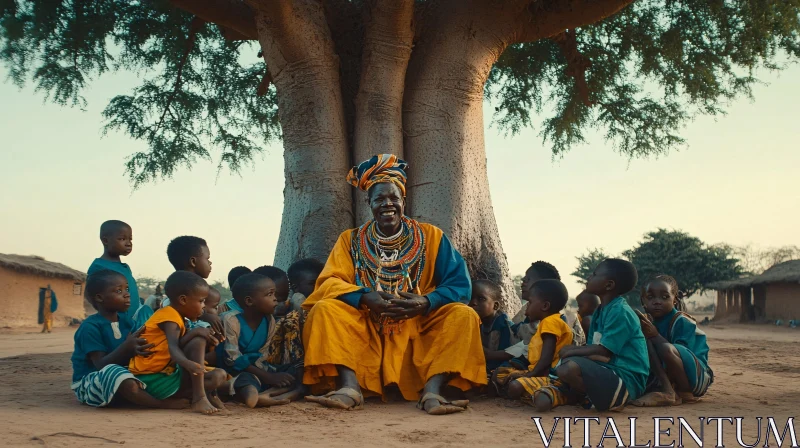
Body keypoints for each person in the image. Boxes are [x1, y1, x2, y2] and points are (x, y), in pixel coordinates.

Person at [302, 154, 485, 415]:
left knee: (463, 315)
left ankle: (433, 391)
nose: (387, 204)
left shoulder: (431, 236)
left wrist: (426, 302)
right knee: (324, 310)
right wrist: (364, 297)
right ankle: (349, 387)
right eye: (379, 199)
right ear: (368, 202)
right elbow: (329, 282)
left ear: (403, 201)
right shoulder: (350, 240)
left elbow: (459, 285)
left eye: (393, 198)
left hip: (418, 322)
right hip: (366, 321)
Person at [71, 270, 186, 409]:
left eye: (126, 289)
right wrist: (127, 347)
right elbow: (101, 365)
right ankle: (160, 404)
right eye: (118, 291)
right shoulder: (90, 327)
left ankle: (134, 397)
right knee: (123, 379)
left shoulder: (126, 322)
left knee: (158, 375)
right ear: (100, 298)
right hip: (91, 380)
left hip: (122, 372)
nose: (127, 294)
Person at [555, 259, 649, 411]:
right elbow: (597, 351)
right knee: (566, 363)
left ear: (609, 285)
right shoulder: (600, 311)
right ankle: (590, 395)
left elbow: (603, 350)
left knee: (567, 369)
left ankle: (614, 397)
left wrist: (572, 350)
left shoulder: (620, 311)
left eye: (594, 274)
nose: (589, 278)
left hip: (628, 378)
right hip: (610, 368)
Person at [128, 271, 228, 415]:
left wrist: (196, 333)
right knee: (198, 340)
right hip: (150, 378)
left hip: (165, 374)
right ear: (183, 300)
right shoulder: (169, 316)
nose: (204, 306)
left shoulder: (176, 317)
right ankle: (199, 398)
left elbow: (176, 344)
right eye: (201, 301)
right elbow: (173, 349)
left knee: (218, 376)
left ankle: (199, 396)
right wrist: (189, 364)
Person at [219, 273, 303, 408]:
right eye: (269, 295)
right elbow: (232, 358)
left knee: (298, 368)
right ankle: (256, 397)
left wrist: (270, 374)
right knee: (246, 382)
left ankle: (270, 394)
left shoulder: (269, 321)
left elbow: (263, 355)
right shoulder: (231, 320)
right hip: (235, 371)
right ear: (249, 301)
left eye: (274, 294)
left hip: (259, 369)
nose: (275, 299)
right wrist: (268, 377)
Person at [631, 274, 713, 407]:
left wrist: (656, 335)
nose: (657, 302)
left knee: (665, 348)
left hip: (695, 379)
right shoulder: (647, 321)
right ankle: (666, 389)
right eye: (650, 297)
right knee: (645, 341)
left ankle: (681, 393)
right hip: (665, 377)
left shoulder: (682, 321)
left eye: (664, 297)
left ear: (675, 299)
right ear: (643, 301)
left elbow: (681, 354)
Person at [500, 279, 574, 411]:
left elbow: (547, 357)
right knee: (501, 374)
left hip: (549, 376)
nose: (527, 307)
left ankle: (558, 394)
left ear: (545, 306)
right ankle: (538, 392)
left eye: (530, 302)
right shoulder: (550, 322)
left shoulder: (550, 322)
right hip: (538, 372)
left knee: (514, 386)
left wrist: (530, 374)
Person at [162, 236, 224, 339]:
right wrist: (204, 316)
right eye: (207, 258)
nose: (210, 262)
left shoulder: (178, 286)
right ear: (193, 262)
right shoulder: (181, 290)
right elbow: (168, 307)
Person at [87, 220, 141, 320]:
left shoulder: (125, 268)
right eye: (122, 239)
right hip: (117, 323)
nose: (128, 243)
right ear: (105, 240)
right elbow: (91, 295)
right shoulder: (99, 267)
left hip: (132, 322)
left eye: (130, 239)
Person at [468, 279, 514, 374]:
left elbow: (509, 353)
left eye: (481, 299)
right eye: (470, 298)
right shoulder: (474, 322)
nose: (473, 303)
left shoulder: (504, 325)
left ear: (495, 306)